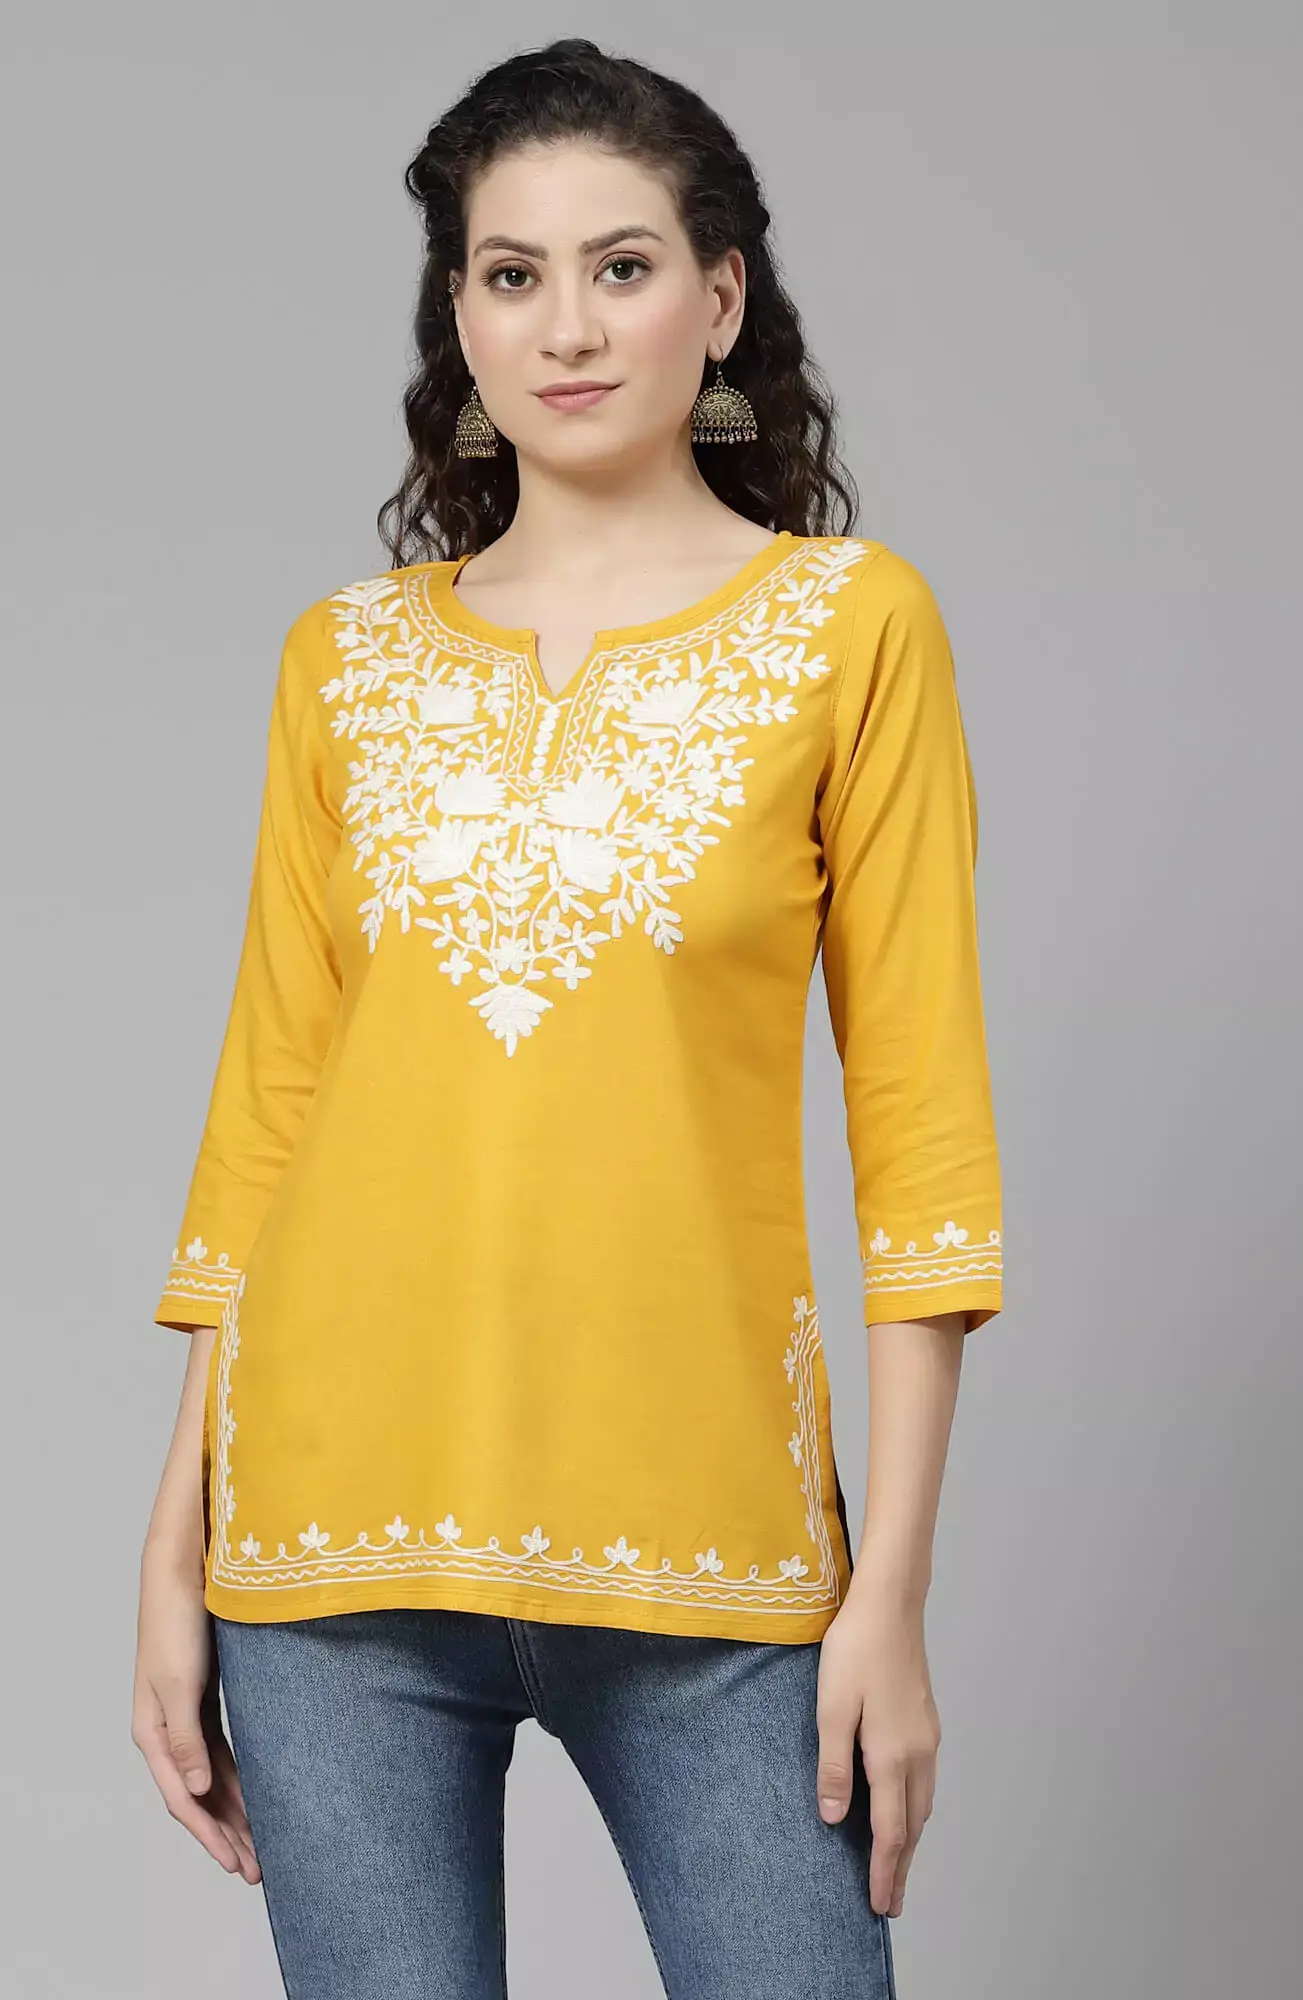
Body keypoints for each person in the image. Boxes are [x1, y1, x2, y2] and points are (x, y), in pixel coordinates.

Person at [132, 35, 1003, 2000]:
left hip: (714, 1554)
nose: (569, 325)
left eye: (623, 266)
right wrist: (171, 1549)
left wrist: (891, 1593)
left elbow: (925, 1138)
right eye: (511, 273)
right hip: (327, 1561)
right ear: (460, 315)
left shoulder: (851, 629)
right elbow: (267, 1111)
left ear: (722, 297)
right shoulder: (345, 663)